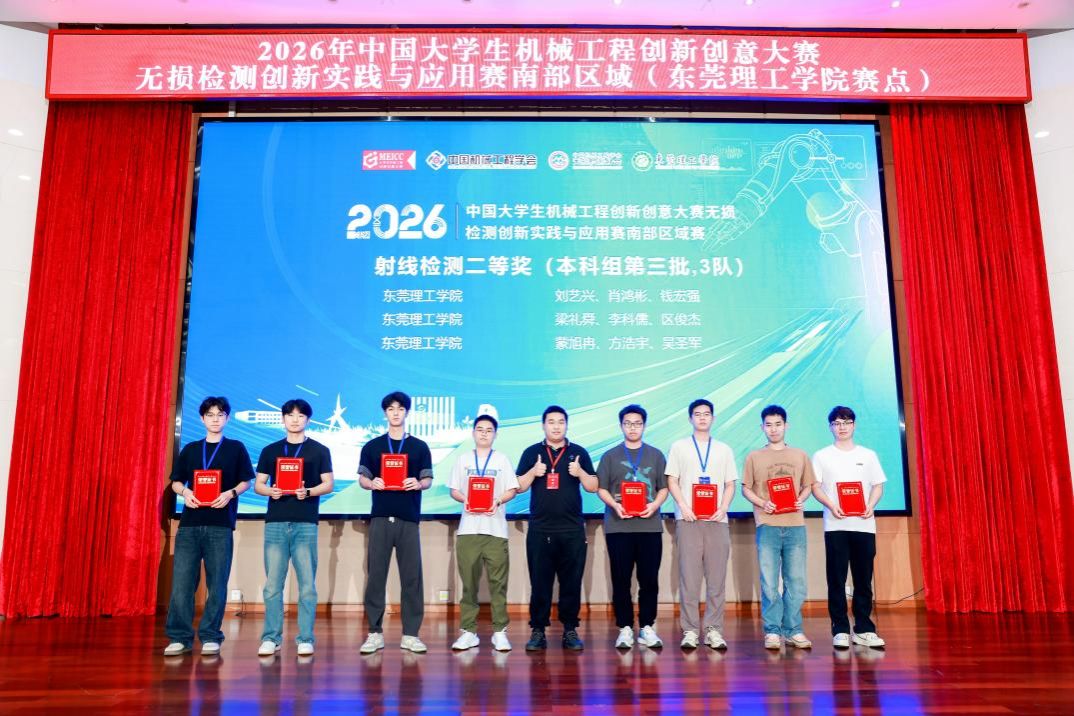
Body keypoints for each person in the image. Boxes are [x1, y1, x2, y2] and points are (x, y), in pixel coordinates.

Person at [163, 396, 254, 656]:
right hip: (190, 525)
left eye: (220, 414)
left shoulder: (236, 448)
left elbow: (246, 481)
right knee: (182, 584)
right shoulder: (191, 449)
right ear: (202, 419)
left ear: (227, 418)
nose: (215, 419)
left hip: (220, 524)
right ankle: (179, 637)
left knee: (217, 584)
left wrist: (230, 494)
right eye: (210, 415)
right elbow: (176, 482)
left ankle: (211, 636)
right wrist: (185, 493)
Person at [253, 399, 335, 657]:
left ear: (308, 420)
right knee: (272, 586)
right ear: (283, 419)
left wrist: (308, 491)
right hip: (276, 522)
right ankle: (271, 638)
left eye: (300, 416)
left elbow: (328, 484)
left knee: (307, 585)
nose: (295, 419)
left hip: (305, 522)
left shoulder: (319, 450)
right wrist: (271, 491)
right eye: (290, 415)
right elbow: (259, 485)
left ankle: (305, 638)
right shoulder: (270, 450)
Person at [358, 391, 434, 654]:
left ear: (407, 412)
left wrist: (418, 483)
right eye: (391, 409)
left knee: (412, 578)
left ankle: (411, 634)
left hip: (408, 518)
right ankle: (374, 633)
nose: (395, 413)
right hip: (380, 518)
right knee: (376, 577)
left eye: (400, 409)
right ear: (385, 413)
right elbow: (362, 479)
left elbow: (428, 479)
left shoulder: (419, 447)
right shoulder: (372, 446)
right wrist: (372, 483)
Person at [516, 405, 598, 651]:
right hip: (541, 529)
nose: (556, 426)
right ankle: (538, 630)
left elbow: (593, 486)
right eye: (551, 422)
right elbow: (519, 486)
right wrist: (533, 472)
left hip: (572, 530)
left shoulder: (578, 452)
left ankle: (570, 629)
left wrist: (580, 472)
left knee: (571, 583)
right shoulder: (531, 452)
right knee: (540, 583)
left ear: (566, 425)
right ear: (543, 425)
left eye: (561, 422)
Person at [811, 405, 887, 649]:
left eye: (846, 422)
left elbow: (878, 485)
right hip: (836, 525)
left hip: (864, 525)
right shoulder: (822, 456)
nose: (841, 427)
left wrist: (871, 505)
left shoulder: (868, 455)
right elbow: (815, 486)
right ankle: (840, 629)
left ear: (854, 425)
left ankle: (864, 629)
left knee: (863, 580)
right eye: (836, 423)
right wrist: (831, 505)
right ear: (830, 427)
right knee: (836, 579)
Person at [742, 404, 817, 650]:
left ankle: (793, 630)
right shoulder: (754, 456)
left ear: (786, 425)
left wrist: (801, 498)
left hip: (795, 525)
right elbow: (746, 488)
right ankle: (772, 631)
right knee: (769, 582)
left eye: (778, 424)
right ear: (762, 427)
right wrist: (763, 502)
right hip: (768, 524)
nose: (773, 429)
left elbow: (808, 485)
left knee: (796, 582)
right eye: (768, 425)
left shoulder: (800, 454)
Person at [665, 398, 738, 650]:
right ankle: (690, 630)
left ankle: (713, 630)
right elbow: (672, 480)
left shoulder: (724, 449)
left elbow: (730, 484)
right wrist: (683, 506)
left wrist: (723, 507)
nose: (702, 418)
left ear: (713, 418)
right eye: (697, 414)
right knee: (690, 579)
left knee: (717, 579)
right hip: (689, 520)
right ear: (690, 419)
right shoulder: (679, 447)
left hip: (717, 520)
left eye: (707, 414)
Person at [597, 404, 668, 650]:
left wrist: (655, 505)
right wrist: (615, 506)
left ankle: (647, 626)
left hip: (650, 527)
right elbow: (601, 488)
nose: (633, 428)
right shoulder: (610, 456)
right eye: (628, 423)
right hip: (619, 527)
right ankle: (625, 628)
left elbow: (664, 488)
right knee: (621, 580)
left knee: (649, 580)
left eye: (637, 423)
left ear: (644, 426)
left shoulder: (656, 455)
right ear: (621, 426)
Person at [448, 413, 519, 652]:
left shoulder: (502, 460)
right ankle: (468, 631)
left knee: (498, 583)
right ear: (473, 433)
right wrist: (465, 499)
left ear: (495, 434)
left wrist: (497, 500)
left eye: (489, 430)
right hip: (468, 529)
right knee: (469, 584)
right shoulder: (463, 459)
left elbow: (512, 489)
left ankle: (500, 631)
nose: (484, 433)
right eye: (480, 429)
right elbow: (454, 490)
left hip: (495, 530)